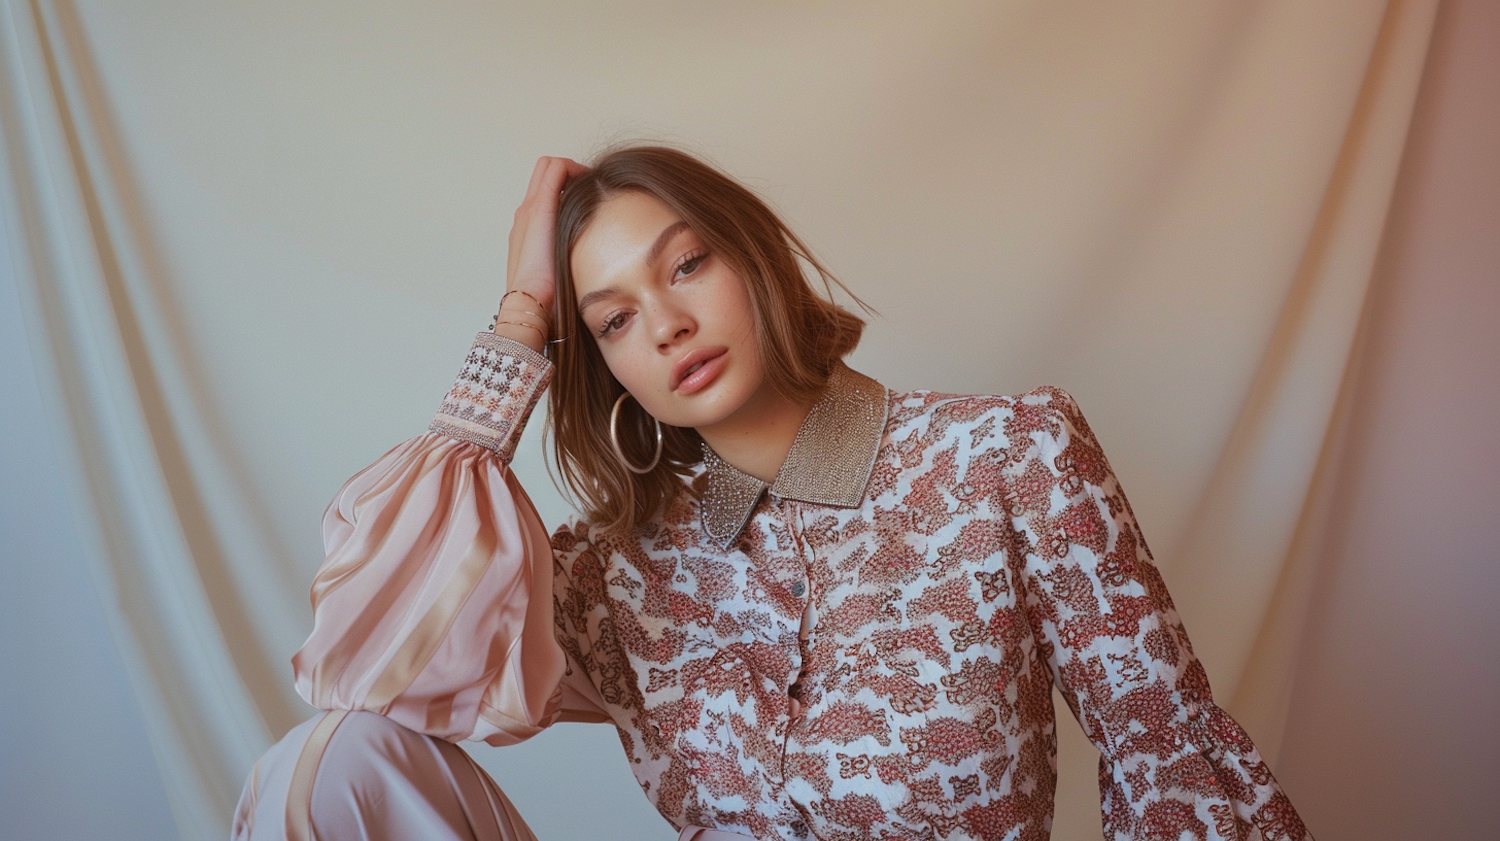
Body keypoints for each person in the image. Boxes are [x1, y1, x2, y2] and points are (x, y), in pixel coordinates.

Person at [231, 147, 1312, 841]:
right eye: (610, 319)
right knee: (330, 763)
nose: (663, 322)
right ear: (600, 362)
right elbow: (368, 672)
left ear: (753, 258)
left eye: (686, 264)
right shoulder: (617, 575)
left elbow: (1169, 760)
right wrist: (520, 322)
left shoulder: (1007, 455)